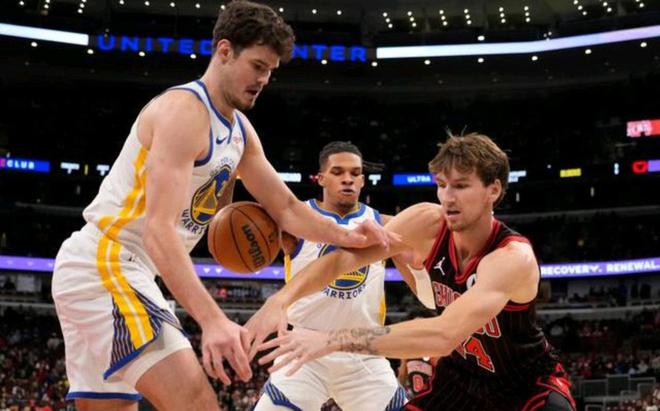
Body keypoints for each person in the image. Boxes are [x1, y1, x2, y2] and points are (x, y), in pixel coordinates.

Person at [50, 2, 392, 410]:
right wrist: (212, 320)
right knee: (196, 400)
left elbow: (285, 208)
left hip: (118, 269)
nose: (263, 80)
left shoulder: (239, 130)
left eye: (270, 71)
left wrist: (348, 235)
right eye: (257, 66)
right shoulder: (184, 112)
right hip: (107, 263)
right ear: (224, 51)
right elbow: (158, 230)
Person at [249, 133, 577, 411]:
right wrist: (280, 299)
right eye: (442, 185)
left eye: (461, 186)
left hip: (524, 388)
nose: (448, 197)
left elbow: (443, 334)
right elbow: (343, 261)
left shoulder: (511, 257)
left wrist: (332, 340)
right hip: (461, 380)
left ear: (493, 190)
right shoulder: (426, 222)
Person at [251, 141, 409, 411]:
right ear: (321, 178)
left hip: (362, 350)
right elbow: (254, 214)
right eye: (337, 172)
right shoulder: (295, 221)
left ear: (362, 181)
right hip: (304, 349)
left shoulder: (384, 224)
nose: (347, 179)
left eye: (355, 173)